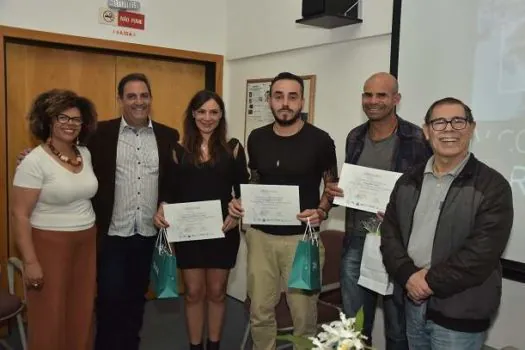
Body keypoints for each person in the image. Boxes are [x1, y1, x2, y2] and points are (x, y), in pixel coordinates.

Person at [381, 97, 513, 350]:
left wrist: (428, 282)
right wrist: (408, 275)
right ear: (427, 131)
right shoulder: (408, 180)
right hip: (412, 303)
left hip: (460, 311)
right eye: (439, 122)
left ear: (471, 128)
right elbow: (390, 234)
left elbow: (482, 253)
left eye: (458, 121)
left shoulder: (493, 186)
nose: (449, 129)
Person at [228, 72, 338, 350]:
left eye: (292, 96)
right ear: (269, 101)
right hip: (260, 238)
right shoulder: (257, 138)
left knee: (303, 315)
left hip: (302, 241)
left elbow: (332, 184)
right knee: (260, 311)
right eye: (279, 96)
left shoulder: (320, 140)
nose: (285, 103)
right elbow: (255, 178)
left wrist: (322, 211)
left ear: (301, 101)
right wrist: (242, 201)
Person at [325, 72, 432, 349]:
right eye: (367, 94)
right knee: (355, 326)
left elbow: (428, 192)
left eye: (381, 95)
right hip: (357, 241)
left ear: (396, 99)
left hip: (398, 247)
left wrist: (401, 212)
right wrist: (339, 191)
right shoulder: (355, 137)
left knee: (399, 329)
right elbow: (353, 184)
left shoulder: (417, 139)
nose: (373, 101)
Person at [89, 73, 180, 350]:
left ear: (150, 98)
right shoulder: (100, 133)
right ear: (120, 100)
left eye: (143, 96)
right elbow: (70, 156)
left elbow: (172, 180)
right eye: (131, 96)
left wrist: (166, 202)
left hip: (147, 234)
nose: (138, 102)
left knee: (137, 299)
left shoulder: (168, 135)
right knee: (109, 300)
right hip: (113, 234)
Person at [154, 90, 249, 350]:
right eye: (202, 112)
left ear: (221, 116)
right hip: (187, 231)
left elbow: (244, 191)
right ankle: (195, 346)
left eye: (214, 112)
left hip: (223, 229)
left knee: (217, 292)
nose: (208, 118)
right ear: (193, 114)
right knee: (194, 292)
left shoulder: (234, 148)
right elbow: (168, 190)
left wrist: (235, 210)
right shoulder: (177, 149)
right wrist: (162, 207)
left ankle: (214, 345)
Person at [11, 89, 98, 350]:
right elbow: (20, 214)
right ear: (48, 120)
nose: (70, 124)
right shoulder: (34, 161)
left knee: (81, 311)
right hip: (48, 244)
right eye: (63, 117)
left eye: (76, 119)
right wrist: (30, 261)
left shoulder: (85, 153)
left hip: (86, 240)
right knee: (49, 316)